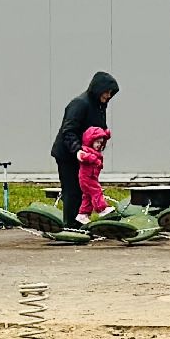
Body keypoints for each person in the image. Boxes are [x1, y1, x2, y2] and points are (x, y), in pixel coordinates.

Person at [51, 71, 118, 230]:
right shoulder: (80, 104)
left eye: (111, 93)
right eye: (107, 92)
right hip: (69, 154)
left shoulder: (99, 106)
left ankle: (80, 222)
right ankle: (71, 225)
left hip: (86, 155)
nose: (108, 96)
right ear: (98, 89)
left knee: (85, 189)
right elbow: (68, 131)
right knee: (72, 190)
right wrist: (77, 151)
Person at [76, 126, 112, 223]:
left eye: (100, 143)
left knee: (87, 197)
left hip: (91, 178)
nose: (98, 145)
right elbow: (81, 156)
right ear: (90, 140)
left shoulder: (95, 152)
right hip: (87, 178)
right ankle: (101, 209)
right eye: (97, 142)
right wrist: (94, 159)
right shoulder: (85, 150)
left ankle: (83, 214)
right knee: (96, 191)